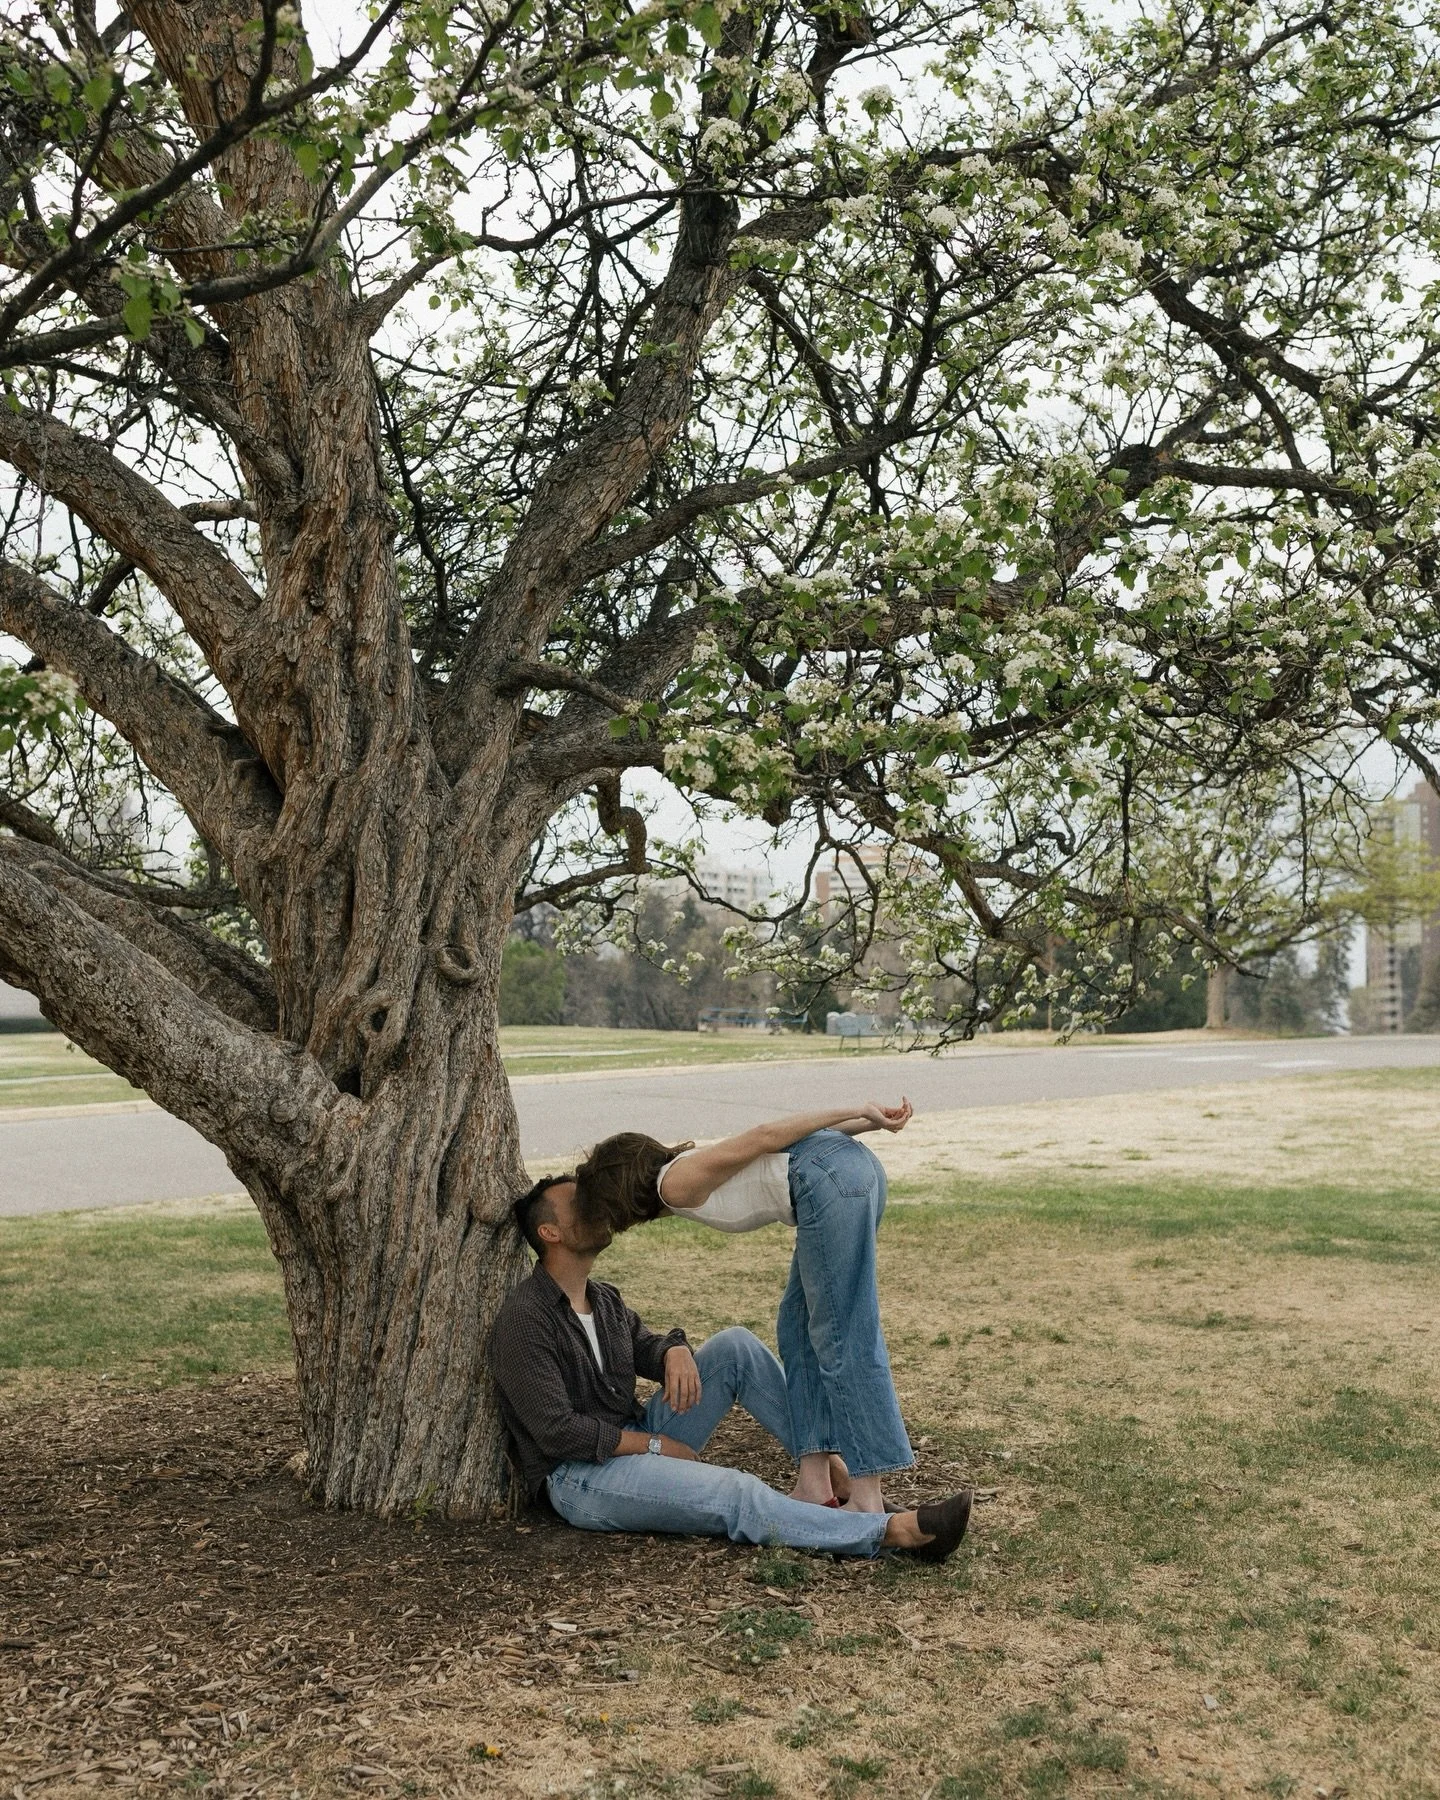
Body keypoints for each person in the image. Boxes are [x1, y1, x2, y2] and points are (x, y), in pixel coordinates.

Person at [489, 1173, 972, 1561]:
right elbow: (557, 1431)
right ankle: (891, 1532)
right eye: (581, 1205)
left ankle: (834, 1475)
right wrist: (656, 1445)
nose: (597, 1209)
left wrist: (674, 1350)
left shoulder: (602, 1298)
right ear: (550, 1233)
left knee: (736, 1346)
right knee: (736, 1491)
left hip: (631, 1436)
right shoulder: (526, 1318)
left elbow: (644, 1346)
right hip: (582, 1477)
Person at [572, 1100, 915, 1514]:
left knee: (842, 1337)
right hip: (844, 1172)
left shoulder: (673, 1184)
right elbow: (785, 1146)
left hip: (832, 1179)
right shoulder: (682, 1173)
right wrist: (864, 1125)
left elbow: (766, 1135)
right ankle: (814, 1486)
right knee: (798, 1329)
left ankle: (866, 1499)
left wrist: (860, 1112)